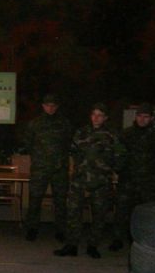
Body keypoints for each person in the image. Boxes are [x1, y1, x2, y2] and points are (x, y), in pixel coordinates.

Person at [54, 103, 125, 259]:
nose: (96, 118)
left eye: (100, 115)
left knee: (99, 214)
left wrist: (111, 171)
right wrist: (75, 170)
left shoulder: (112, 135)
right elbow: (72, 152)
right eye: (94, 114)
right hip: (79, 180)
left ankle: (93, 246)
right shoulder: (81, 132)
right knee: (73, 213)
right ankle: (71, 245)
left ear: (105, 118)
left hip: (100, 181)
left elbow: (120, 156)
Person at [110, 103, 155, 251]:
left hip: (148, 182)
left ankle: (143, 241)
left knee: (146, 213)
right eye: (140, 116)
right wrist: (118, 170)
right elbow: (118, 154)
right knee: (122, 211)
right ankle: (117, 239)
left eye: (146, 117)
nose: (142, 119)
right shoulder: (126, 134)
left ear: (151, 118)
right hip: (128, 180)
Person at [23, 94, 72, 242]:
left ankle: (61, 230)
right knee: (35, 199)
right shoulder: (35, 124)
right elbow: (28, 144)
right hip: (40, 168)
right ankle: (32, 229)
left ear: (57, 107)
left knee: (60, 201)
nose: (50, 108)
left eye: (53, 105)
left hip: (59, 168)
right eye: (48, 105)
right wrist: (39, 158)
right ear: (43, 106)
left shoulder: (64, 124)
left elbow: (69, 144)